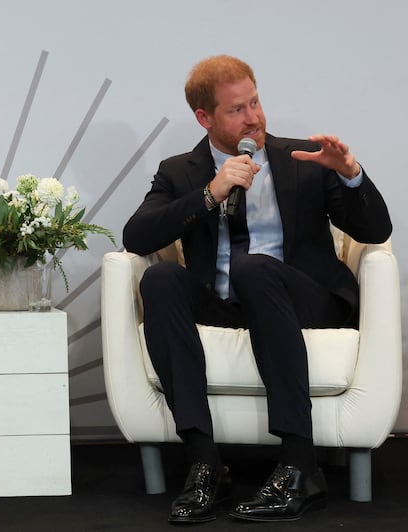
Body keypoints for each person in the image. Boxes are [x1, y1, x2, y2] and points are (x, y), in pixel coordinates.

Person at [123, 55, 392, 524]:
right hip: (229, 302)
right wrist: (210, 193)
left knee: (253, 268)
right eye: (236, 109)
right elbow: (136, 235)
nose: (254, 117)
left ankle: (300, 467)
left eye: (255, 102)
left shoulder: (303, 159)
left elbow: (375, 230)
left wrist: (350, 174)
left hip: (305, 299)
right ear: (204, 118)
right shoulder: (180, 171)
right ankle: (206, 465)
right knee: (160, 278)